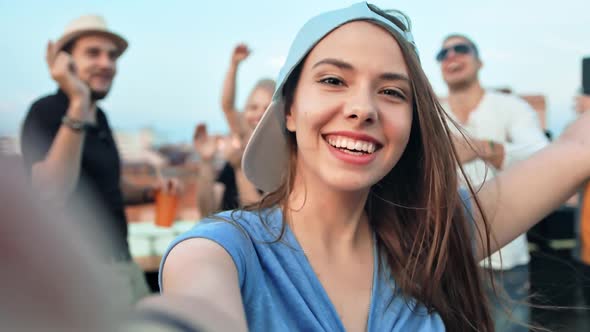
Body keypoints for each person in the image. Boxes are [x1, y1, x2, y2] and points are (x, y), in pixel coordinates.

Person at [156, 3, 590, 331]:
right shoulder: (219, 253)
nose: (363, 108)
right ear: (289, 110)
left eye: (392, 92)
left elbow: (576, 149)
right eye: (332, 80)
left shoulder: (433, 238)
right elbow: (196, 306)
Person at [20, 15, 181, 304]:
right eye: (93, 53)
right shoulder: (46, 111)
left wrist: (150, 192)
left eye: (112, 56)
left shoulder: (101, 117)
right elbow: (50, 191)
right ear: (65, 61)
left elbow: (111, 183)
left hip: (122, 264)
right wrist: (78, 103)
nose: (107, 63)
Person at [436, 34, 549, 331]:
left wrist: (481, 148)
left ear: (479, 61)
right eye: (442, 53)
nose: (451, 56)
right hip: (445, 257)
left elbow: (542, 156)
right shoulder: (431, 113)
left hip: (505, 253)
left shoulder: (510, 106)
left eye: (461, 49)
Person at [196, 44, 275, 215]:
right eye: (253, 107)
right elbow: (227, 104)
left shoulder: (279, 161)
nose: (259, 114)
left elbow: (263, 221)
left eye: (267, 108)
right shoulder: (240, 140)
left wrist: (239, 167)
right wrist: (234, 66)